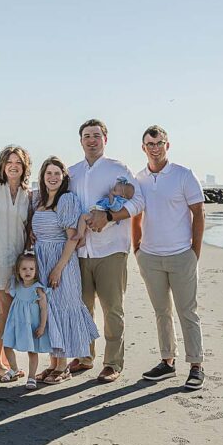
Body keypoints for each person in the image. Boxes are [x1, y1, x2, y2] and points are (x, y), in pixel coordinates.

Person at [68, 119, 144, 382]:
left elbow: (138, 201)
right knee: (82, 307)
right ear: (81, 141)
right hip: (80, 252)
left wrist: (110, 216)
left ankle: (112, 363)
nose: (92, 140)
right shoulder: (72, 172)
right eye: (87, 136)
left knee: (113, 309)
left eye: (96, 136)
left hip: (111, 249)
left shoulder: (117, 168)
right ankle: (85, 356)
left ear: (105, 140)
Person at [132, 125, 206, 392]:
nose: (155, 148)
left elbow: (198, 212)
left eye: (159, 143)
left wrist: (194, 252)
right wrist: (137, 248)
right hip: (150, 257)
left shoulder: (183, 175)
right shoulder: (138, 178)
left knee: (188, 311)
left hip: (180, 255)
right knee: (161, 311)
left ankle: (196, 366)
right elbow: (136, 215)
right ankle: (167, 361)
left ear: (167, 145)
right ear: (143, 148)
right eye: (150, 144)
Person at [31, 157, 99, 384]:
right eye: (48, 173)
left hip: (62, 260)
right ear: (42, 177)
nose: (52, 178)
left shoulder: (66, 199)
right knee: (48, 311)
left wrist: (58, 269)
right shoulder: (39, 200)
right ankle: (52, 363)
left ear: (64, 178)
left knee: (61, 309)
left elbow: (73, 238)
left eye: (57, 174)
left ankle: (63, 366)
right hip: (42, 259)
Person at [0, 146, 33, 381]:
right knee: (7, 309)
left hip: (18, 262)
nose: (13, 166)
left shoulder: (28, 195)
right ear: (2, 165)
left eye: (18, 162)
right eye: (9, 161)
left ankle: (1, 360)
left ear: (25, 167)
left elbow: (29, 228)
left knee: (10, 310)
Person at [1, 252, 51, 389]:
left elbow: (44, 309)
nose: (27, 272)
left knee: (32, 350)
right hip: (16, 322)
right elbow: (6, 290)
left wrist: (42, 326)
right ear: (18, 271)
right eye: (23, 269)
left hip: (31, 324)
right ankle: (14, 369)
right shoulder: (17, 285)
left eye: (31, 269)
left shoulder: (38, 289)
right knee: (7, 345)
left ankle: (32, 376)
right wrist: (12, 277)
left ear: (36, 271)